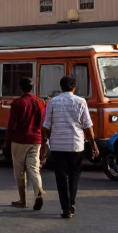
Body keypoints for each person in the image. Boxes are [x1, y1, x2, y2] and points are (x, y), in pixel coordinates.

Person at [41, 75, 97, 219]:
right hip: (75, 145)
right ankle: (71, 203)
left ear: (61, 87)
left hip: (58, 145)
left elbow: (46, 126)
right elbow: (88, 126)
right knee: (74, 175)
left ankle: (65, 208)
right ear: (74, 87)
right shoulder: (81, 101)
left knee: (61, 177)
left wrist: (44, 146)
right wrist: (93, 144)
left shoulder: (53, 102)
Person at [2, 77, 45, 211]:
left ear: (20, 88)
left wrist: (6, 143)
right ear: (32, 87)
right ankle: (38, 193)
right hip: (36, 139)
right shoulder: (40, 102)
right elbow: (43, 123)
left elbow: (12, 125)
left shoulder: (17, 103)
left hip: (20, 140)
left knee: (19, 171)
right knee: (34, 169)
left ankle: (23, 200)